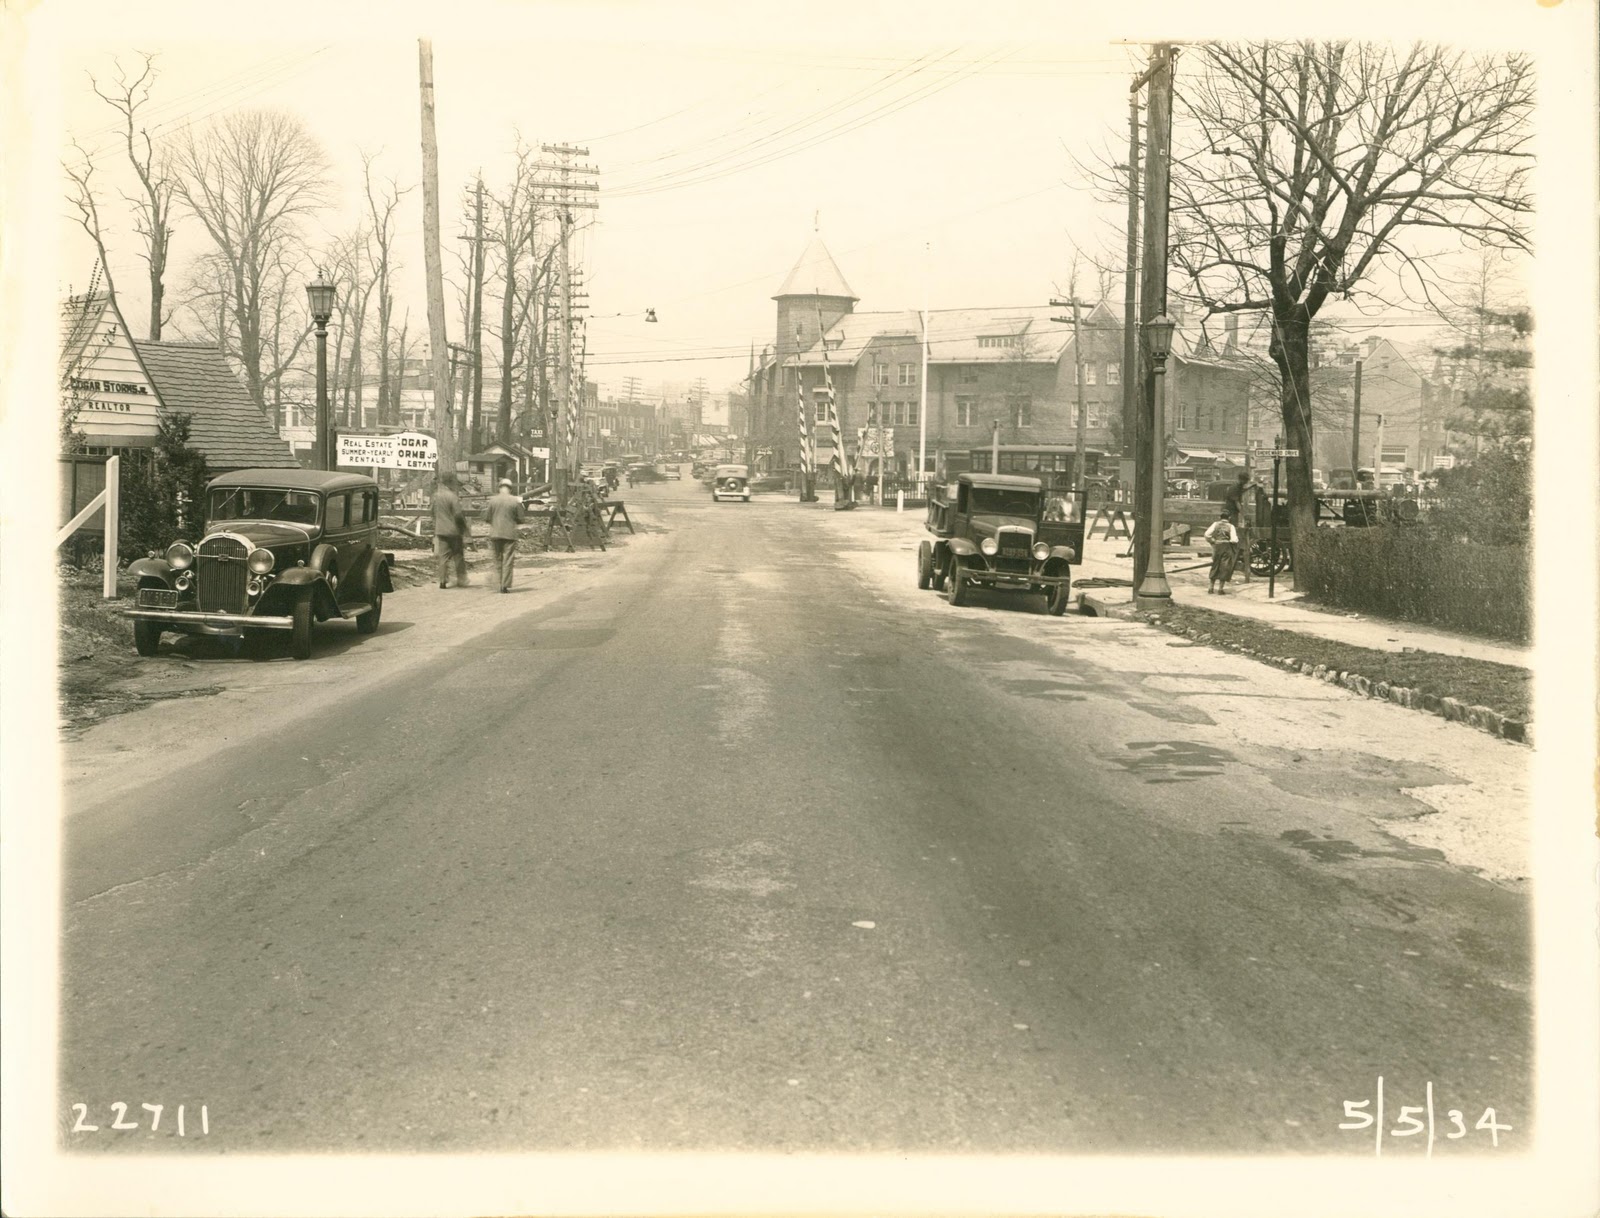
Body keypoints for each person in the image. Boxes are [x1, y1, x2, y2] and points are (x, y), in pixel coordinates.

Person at [483, 477, 526, 593]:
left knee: (497, 559)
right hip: (509, 534)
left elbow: (486, 517)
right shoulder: (515, 501)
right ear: (510, 489)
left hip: (495, 533)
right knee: (507, 560)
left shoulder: (493, 500)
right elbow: (521, 518)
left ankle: (498, 582)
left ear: (499, 488)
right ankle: (504, 585)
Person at [431, 472, 469, 588]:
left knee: (443, 557)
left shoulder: (436, 496)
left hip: (441, 530)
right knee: (458, 555)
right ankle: (461, 580)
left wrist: (436, 523)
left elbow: (432, 512)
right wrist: (463, 528)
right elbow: (458, 515)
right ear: (450, 482)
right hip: (453, 530)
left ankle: (442, 581)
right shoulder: (452, 497)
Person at [1203, 509, 1239, 594]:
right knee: (1224, 567)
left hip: (1217, 547)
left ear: (1220, 517)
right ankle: (1220, 589)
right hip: (1226, 547)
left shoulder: (1215, 524)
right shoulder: (1231, 526)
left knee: (1215, 565)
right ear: (1229, 518)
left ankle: (1211, 588)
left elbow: (1207, 534)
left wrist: (1212, 541)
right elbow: (1234, 540)